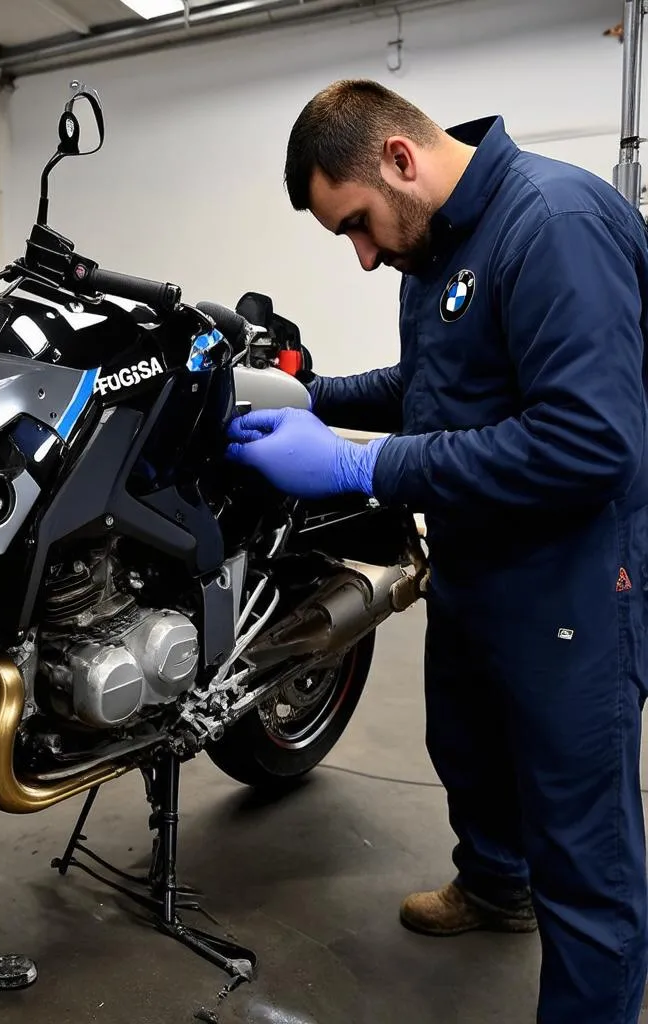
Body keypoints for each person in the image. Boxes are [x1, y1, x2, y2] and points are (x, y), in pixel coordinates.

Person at [226, 79, 648, 1024]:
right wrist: (316, 397)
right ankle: (497, 886)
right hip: (476, 553)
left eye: (358, 226)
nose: (366, 256)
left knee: (584, 840)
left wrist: (356, 469)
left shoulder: (555, 224)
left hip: (573, 572)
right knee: (466, 741)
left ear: (400, 159)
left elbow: (587, 444)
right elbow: (430, 388)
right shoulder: (439, 244)